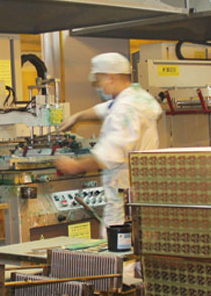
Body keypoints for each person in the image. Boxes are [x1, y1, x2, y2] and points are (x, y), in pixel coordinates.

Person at [54, 52, 163, 229]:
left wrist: (74, 166)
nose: (99, 86)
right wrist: (79, 116)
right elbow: (106, 108)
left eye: (99, 80)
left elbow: (109, 155)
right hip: (141, 189)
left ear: (111, 78)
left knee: (118, 241)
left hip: (123, 197)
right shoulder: (138, 97)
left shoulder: (124, 109)